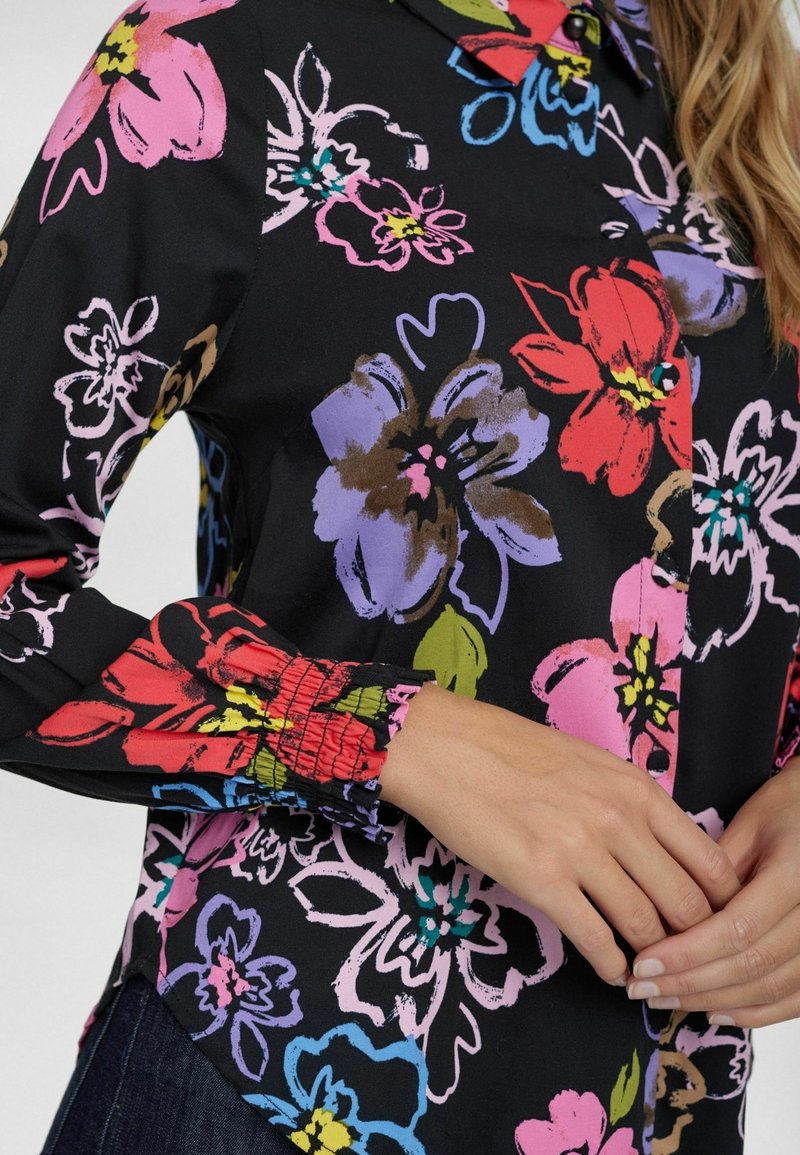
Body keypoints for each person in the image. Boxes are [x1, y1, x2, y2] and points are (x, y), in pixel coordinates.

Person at [2, 0, 800, 1150]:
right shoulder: (236, 52)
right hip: (278, 1073)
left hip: (656, 1103)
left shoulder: (716, 94)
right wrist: (392, 736)